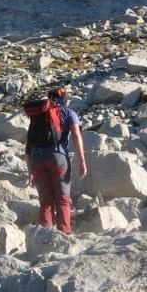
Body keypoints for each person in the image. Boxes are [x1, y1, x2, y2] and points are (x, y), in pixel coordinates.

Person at [25, 86, 88, 234]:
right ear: (64, 99)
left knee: (45, 202)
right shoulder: (69, 113)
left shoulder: (38, 115)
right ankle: (64, 234)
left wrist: (30, 171)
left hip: (37, 159)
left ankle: (45, 238)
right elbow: (76, 135)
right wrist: (82, 161)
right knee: (62, 200)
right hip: (58, 158)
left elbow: (28, 146)